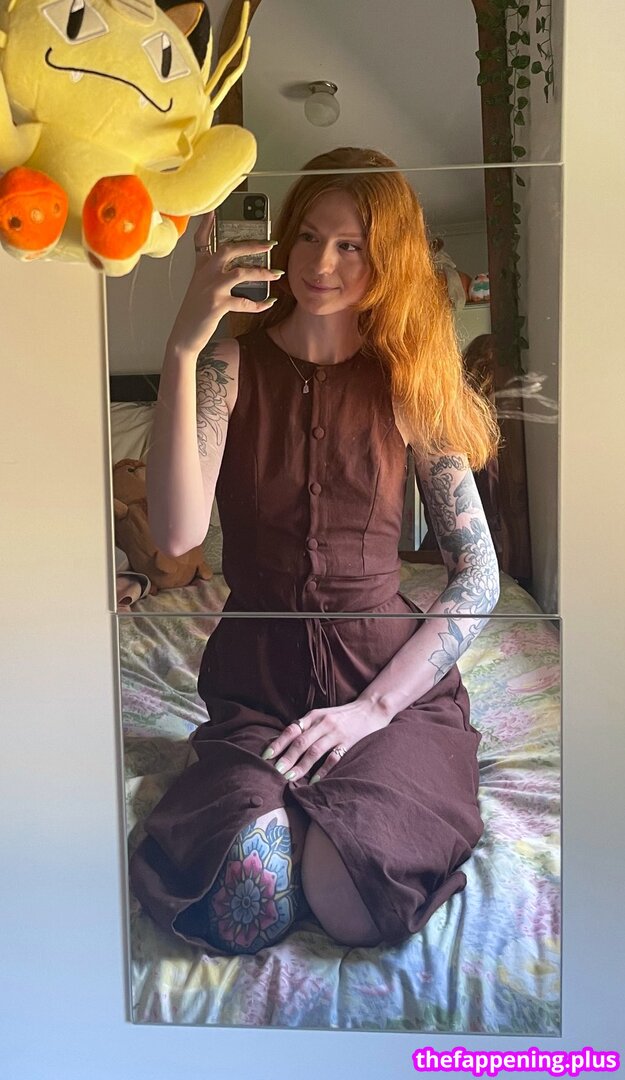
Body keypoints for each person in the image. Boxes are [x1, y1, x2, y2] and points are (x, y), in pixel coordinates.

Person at [129, 147, 501, 956]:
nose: (320, 263)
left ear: (385, 259)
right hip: (257, 685)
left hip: (387, 684)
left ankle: (327, 824)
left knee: (353, 901)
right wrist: (184, 347)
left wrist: (373, 710)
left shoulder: (408, 384)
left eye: (350, 245)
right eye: (306, 236)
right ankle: (289, 818)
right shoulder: (227, 369)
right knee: (243, 904)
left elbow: (477, 575)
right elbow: (177, 536)